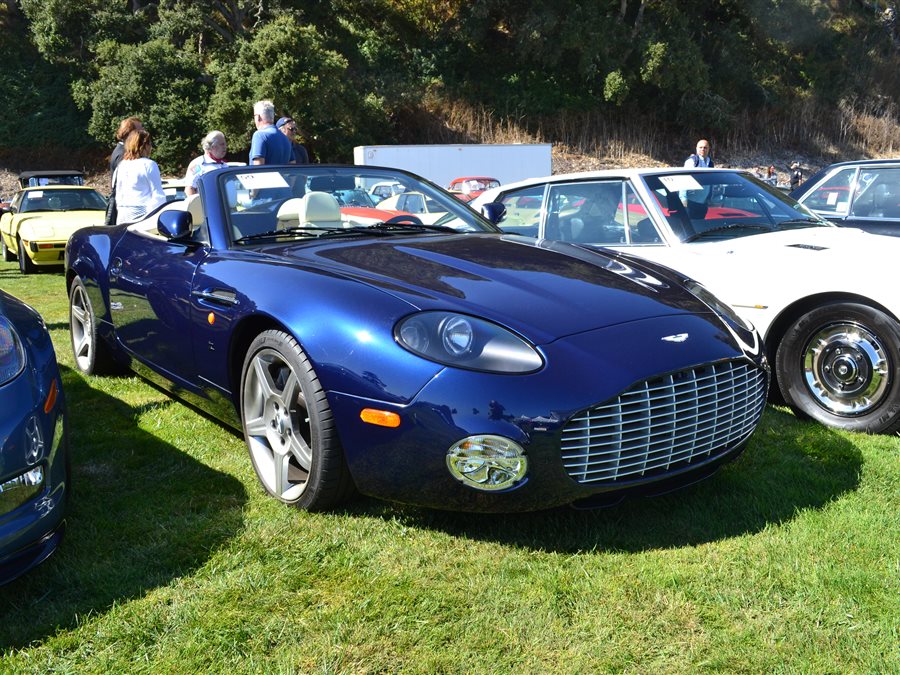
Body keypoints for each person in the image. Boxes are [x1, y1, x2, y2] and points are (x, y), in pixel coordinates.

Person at [114, 129, 166, 225]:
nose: (151, 147)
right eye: (150, 144)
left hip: (122, 214)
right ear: (144, 145)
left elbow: (119, 193)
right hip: (142, 214)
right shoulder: (149, 164)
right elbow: (158, 195)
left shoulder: (122, 165)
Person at [184, 130, 229, 195]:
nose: (225, 147)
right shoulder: (198, 164)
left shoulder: (224, 165)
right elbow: (189, 189)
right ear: (212, 147)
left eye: (225, 144)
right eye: (222, 144)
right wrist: (197, 205)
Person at [249, 100, 292, 165]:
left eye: (254, 116)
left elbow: (257, 169)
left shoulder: (259, 135)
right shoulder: (285, 139)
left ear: (258, 117)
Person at [110, 116, 143, 184]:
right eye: (140, 130)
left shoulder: (124, 151)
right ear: (130, 132)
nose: (143, 132)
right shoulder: (123, 154)